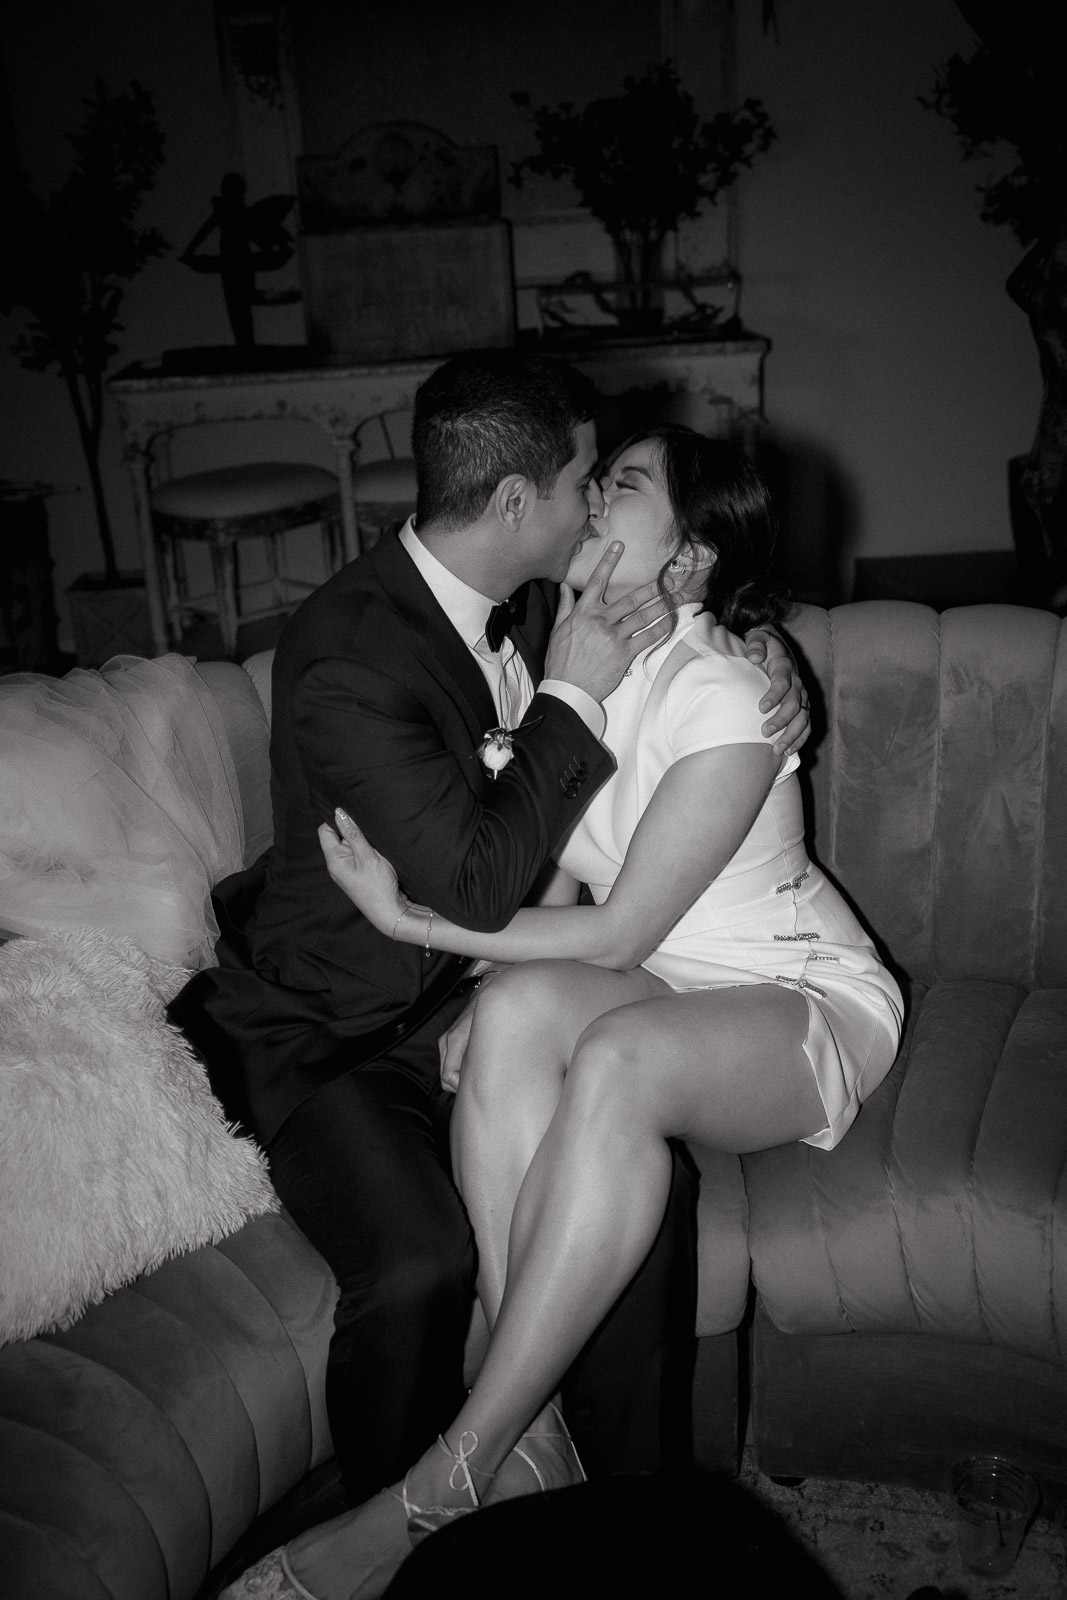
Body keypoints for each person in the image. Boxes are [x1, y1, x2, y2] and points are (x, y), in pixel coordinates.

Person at [240, 425, 903, 1600]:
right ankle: (533, 1417)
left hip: (792, 991)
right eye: (594, 480)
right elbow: (553, 864)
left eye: (623, 485)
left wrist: (414, 921)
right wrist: (491, 984)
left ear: (687, 558)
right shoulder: (582, 651)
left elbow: (617, 934)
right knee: (511, 1019)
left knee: (614, 1061)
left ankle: (446, 1475)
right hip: (671, 981)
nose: (592, 498)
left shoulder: (727, 691)